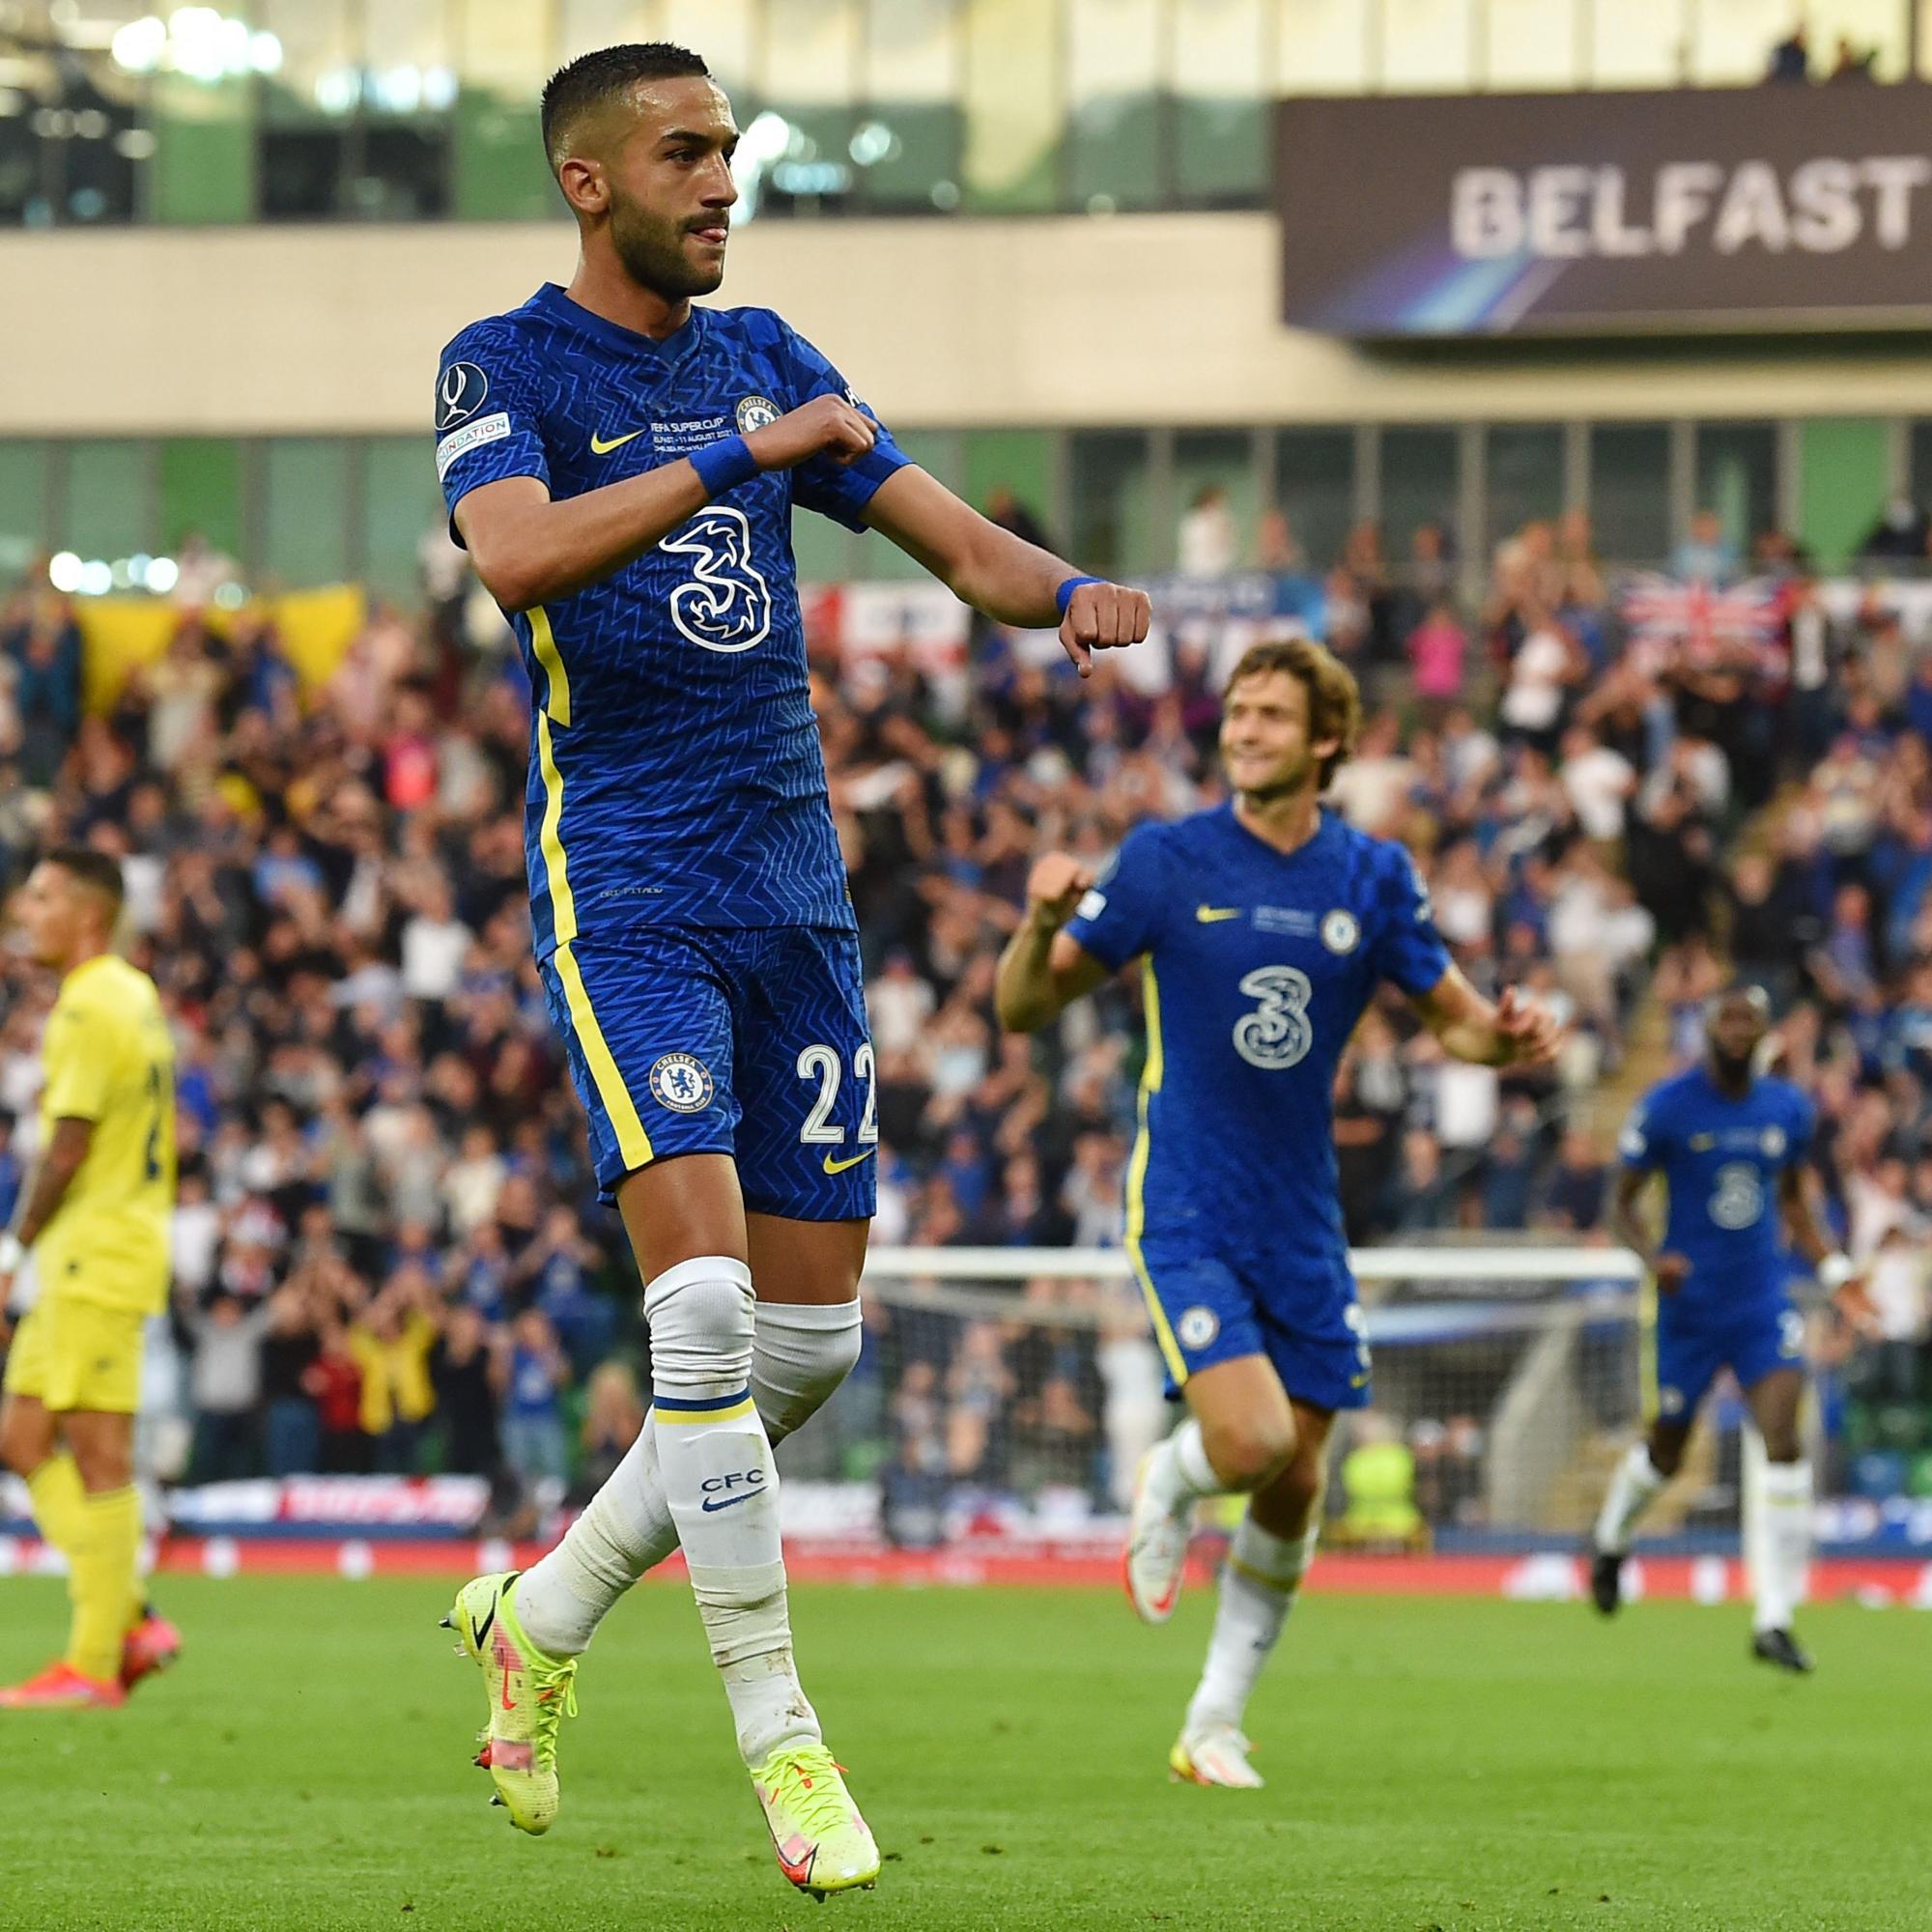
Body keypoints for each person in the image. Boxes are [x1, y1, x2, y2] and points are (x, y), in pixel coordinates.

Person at [431, 39, 1149, 1891]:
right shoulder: (502, 365)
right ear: (591, 182)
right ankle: (786, 1741)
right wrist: (733, 455)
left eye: (731, 155)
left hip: (795, 900)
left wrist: (1066, 592)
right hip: (635, 892)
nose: (722, 185)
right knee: (702, 1326)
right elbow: (516, 558)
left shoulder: (776, 354)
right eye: (685, 156)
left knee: (804, 1352)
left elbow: (962, 546)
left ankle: (545, 1611)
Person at [993, 638, 1560, 1788]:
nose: (1240, 729)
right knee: (1247, 1445)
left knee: (1299, 1481)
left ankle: (1211, 1721)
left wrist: (1499, 1039)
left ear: (1323, 741)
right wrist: (1031, 922)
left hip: (1303, 1215)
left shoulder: (1369, 875)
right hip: (1188, 1201)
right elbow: (1021, 1007)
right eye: (1235, 712)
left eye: (1266, 715)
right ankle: (1167, 1477)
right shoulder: (1163, 859)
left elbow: (1449, 1018)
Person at [1590, 985, 1868, 1672]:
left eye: (1750, 1020)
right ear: (1707, 1030)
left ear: (1765, 1031)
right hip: (1688, 1309)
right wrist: (1655, 1259)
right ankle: (1611, 1539)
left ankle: (1774, 1616)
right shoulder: (1667, 1107)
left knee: (1782, 1438)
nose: (1739, 1031)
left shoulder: (1787, 1109)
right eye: (1728, 1019)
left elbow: (1796, 1203)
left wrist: (1834, 1272)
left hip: (1759, 1302)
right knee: (1668, 1451)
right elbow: (1619, 1203)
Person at [0, 851, 180, 1707]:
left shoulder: (85, 1002)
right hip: (103, 1243)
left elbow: (68, 1143)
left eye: (38, 896)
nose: (21, 911)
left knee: (99, 1455)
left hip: (92, 1251)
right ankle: (131, 1616)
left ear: (85, 912)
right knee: (22, 1440)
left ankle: (93, 1664)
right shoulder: (135, 993)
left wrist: (8, 1251)